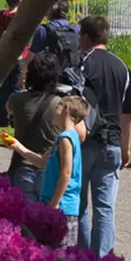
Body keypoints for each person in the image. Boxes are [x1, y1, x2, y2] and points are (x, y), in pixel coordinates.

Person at [75, 15, 131, 256]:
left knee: (80, 205)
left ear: (87, 37)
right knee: (105, 207)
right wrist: (125, 147)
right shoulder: (122, 66)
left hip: (85, 141)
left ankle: (83, 258)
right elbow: (127, 113)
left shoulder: (81, 63)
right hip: (112, 142)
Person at [2, 52, 63, 199]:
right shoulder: (60, 104)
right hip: (50, 170)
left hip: (22, 168)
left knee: (24, 219)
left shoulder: (16, 100)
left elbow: (7, 108)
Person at [38, 96, 90, 235]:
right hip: (62, 205)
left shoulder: (65, 139)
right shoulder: (69, 136)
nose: (55, 111)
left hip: (61, 206)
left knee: (58, 252)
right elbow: (41, 161)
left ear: (67, 109)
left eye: (57, 107)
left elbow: (66, 173)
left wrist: (54, 203)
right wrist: (17, 146)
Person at [0, 0, 26, 114]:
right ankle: (16, 117)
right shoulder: (22, 16)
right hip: (19, 55)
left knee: (3, 90)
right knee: (17, 88)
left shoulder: (1, 16)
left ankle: (3, 117)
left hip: (3, 55)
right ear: (19, 1)